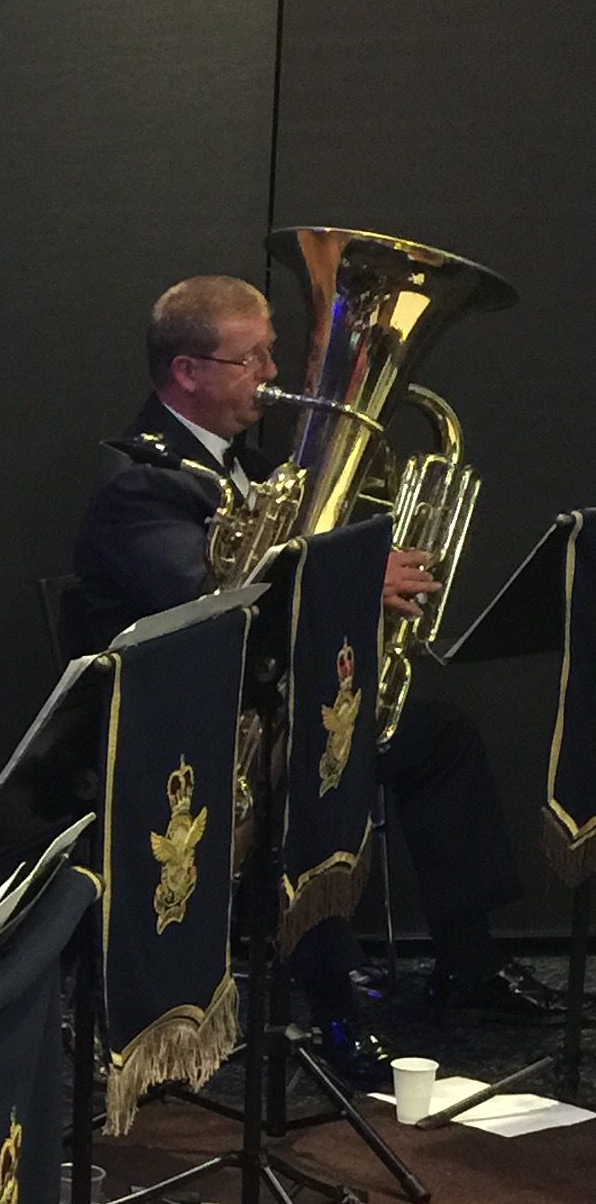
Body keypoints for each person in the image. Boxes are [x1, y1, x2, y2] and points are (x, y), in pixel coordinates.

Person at [69, 274, 558, 1071]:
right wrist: (359, 580)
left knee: (438, 737)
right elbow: (214, 599)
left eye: (271, 353)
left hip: (271, 705)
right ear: (186, 371)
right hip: (186, 732)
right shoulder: (139, 481)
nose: (273, 375)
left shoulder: (254, 464)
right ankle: (331, 1009)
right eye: (251, 359)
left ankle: (467, 962)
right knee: (316, 773)